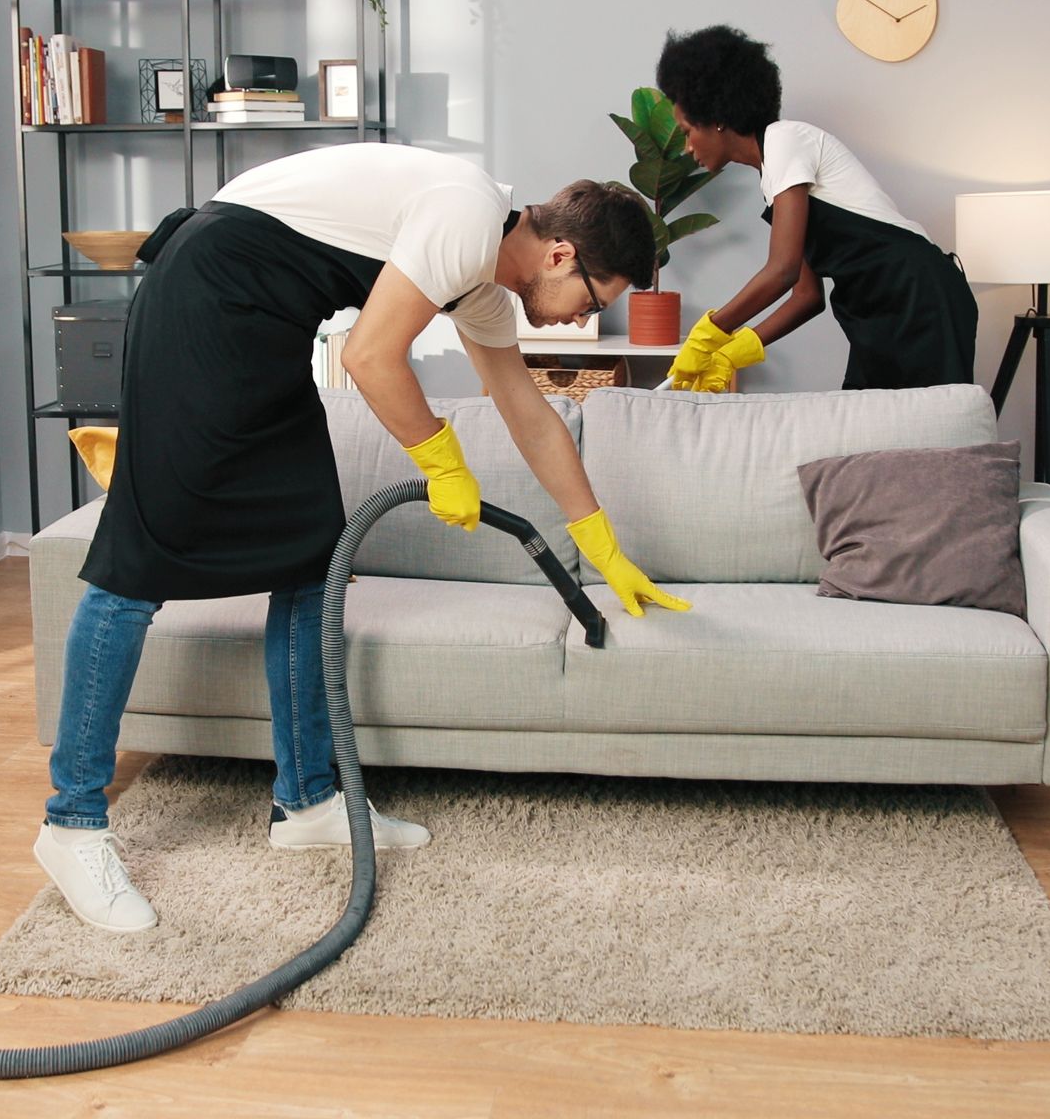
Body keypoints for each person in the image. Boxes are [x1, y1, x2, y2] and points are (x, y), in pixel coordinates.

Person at [36, 144, 690, 932]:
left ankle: (308, 800)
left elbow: (526, 408)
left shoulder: (481, 280)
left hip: (266, 333)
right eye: (593, 296)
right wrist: (441, 460)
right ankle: (71, 824)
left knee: (312, 557)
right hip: (202, 308)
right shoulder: (466, 213)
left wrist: (602, 543)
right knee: (137, 569)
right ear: (559, 252)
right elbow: (370, 357)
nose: (586, 318)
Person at [655, 25, 977, 394]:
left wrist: (710, 332)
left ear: (716, 118)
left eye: (686, 131)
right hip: (875, 311)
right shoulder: (774, 178)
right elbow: (807, 297)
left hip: (919, 296)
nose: (685, 147)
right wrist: (732, 354)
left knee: (932, 437)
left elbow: (782, 271)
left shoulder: (785, 140)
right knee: (874, 439)